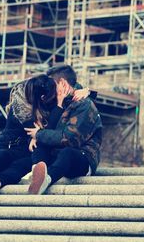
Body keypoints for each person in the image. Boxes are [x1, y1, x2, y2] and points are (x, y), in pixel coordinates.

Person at [0, 74, 90, 195]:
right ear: (43, 98)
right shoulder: (23, 109)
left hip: (27, 149)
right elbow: (47, 131)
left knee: (22, 164)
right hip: (9, 146)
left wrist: (85, 91)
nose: (57, 95)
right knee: (5, 156)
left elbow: (65, 88)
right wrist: (59, 104)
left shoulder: (40, 86)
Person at [25, 65, 103, 195]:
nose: (48, 88)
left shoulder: (84, 105)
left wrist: (39, 134)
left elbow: (70, 139)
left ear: (62, 83)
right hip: (57, 155)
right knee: (40, 144)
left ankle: (45, 179)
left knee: (67, 153)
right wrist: (37, 135)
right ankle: (36, 174)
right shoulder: (57, 101)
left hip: (82, 158)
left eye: (51, 84)